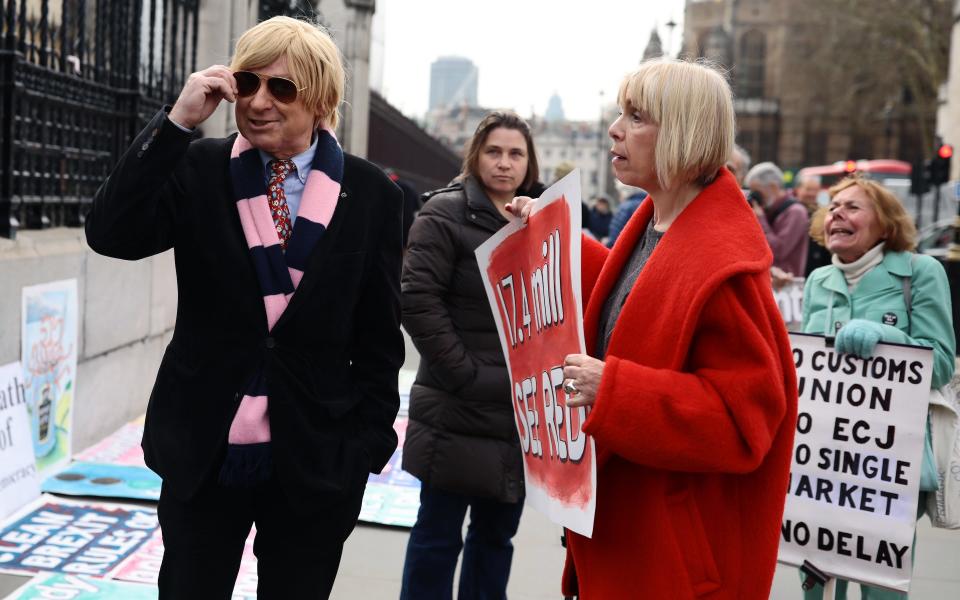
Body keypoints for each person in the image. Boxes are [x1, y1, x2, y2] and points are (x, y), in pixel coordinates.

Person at [84, 16, 404, 599]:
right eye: (248, 83)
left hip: (314, 458)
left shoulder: (373, 194)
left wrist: (363, 450)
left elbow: (380, 338)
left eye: (282, 89)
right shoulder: (199, 167)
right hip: (204, 448)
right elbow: (111, 233)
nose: (259, 102)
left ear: (321, 99)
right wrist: (177, 122)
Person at [509, 57, 797, 599]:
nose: (616, 129)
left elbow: (745, 421)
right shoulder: (656, 223)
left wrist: (614, 390)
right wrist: (554, 241)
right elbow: (638, 307)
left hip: (672, 564)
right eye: (622, 114)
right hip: (631, 541)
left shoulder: (723, 263)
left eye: (637, 117)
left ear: (684, 135)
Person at [399, 111, 539, 600]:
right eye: (494, 151)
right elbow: (418, 301)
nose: (504, 163)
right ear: (476, 154)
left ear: (529, 162)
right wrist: (465, 375)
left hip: (518, 412)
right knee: (437, 537)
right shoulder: (444, 213)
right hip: (455, 405)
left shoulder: (543, 220)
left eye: (515, 153)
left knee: (496, 540)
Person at [799, 176, 955, 600]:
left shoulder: (921, 272)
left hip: (889, 470)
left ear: (884, 225)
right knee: (816, 587)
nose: (836, 214)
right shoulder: (817, 281)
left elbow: (940, 363)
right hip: (822, 464)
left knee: (879, 590)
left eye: (852, 207)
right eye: (832, 207)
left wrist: (890, 342)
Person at [747, 161, 811, 277]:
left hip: (786, 286)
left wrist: (760, 219)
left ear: (773, 187)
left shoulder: (796, 212)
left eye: (757, 192)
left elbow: (778, 251)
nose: (755, 197)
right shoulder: (767, 209)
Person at [795, 173, 832, 276]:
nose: (811, 193)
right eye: (808, 189)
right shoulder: (791, 211)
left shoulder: (823, 212)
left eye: (815, 190)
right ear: (798, 189)